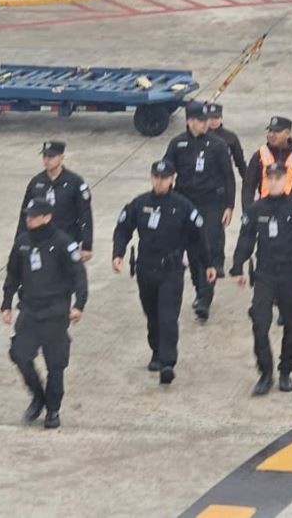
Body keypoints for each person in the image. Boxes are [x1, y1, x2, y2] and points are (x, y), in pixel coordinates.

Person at [112, 160, 215, 385]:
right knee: (152, 315)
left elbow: (199, 239)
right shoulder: (140, 204)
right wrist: (117, 253)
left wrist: (208, 264)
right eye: (156, 177)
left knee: (168, 316)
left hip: (171, 270)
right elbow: (123, 229)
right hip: (145, 268)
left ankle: (168, 362)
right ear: (152, 178)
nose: (160, 181)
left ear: (172, 179)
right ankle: (157, 351)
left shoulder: (183, 206)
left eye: (165, 177)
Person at [231, 163, 292, 396]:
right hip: (265, 274)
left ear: (286, 180)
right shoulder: (256, 209)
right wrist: (238, 267)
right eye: (270, 178)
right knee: (260, 323)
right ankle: (265, 373)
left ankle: (286, 371)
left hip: (291, 275)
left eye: (278, 178)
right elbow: (245, 239)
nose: (274, 182)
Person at [2, 199, 88, 429]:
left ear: (47, 217)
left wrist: (79, 304)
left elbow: (79, 275)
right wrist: (6, 303)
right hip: (30, 310)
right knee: (19, 354)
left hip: (55, 311)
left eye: (34, 215)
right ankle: (38, 395)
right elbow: (12, 275)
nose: (29, 219)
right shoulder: (22, 243)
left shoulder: (63, 243)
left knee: (55, 364)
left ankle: (53, 409)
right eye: (28, 215)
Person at [163, 101, 235, 322]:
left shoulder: (218, 145)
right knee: (193, 252)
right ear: (189, 122)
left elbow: (228, 177)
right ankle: (199, 288)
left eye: (207, 121)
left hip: (211, 203)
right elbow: (166, 171)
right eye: (201, 121)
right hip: (185, 202)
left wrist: (229, 206)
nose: (206, 125)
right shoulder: (177, 144)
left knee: (209, 249)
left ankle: (205, 298)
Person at [16, 141, 93, 263]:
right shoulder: (36, 183)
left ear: (61, 158)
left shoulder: (75, 182)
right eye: (44, 156)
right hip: (40, 242)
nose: (47, 160)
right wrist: (19, 243)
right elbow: (25, 216)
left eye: (51, 156)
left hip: (67, 240)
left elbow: (85, 214)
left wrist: (87, 245)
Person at [242, 116, 292, 211]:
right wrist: (247, 211)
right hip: (265, 209)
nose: (271, 135)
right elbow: (248, 187)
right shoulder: (259, 155)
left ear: (288, 134)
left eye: (276, 132)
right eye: (270, 131)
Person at [208, 103, 247, 180]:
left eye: (216, 117)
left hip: (224, 178)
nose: (213, 121)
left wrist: (247, 181)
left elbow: (240, 161)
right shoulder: (199, 136)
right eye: (210, 118)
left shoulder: (230, 137)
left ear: (221, 118)